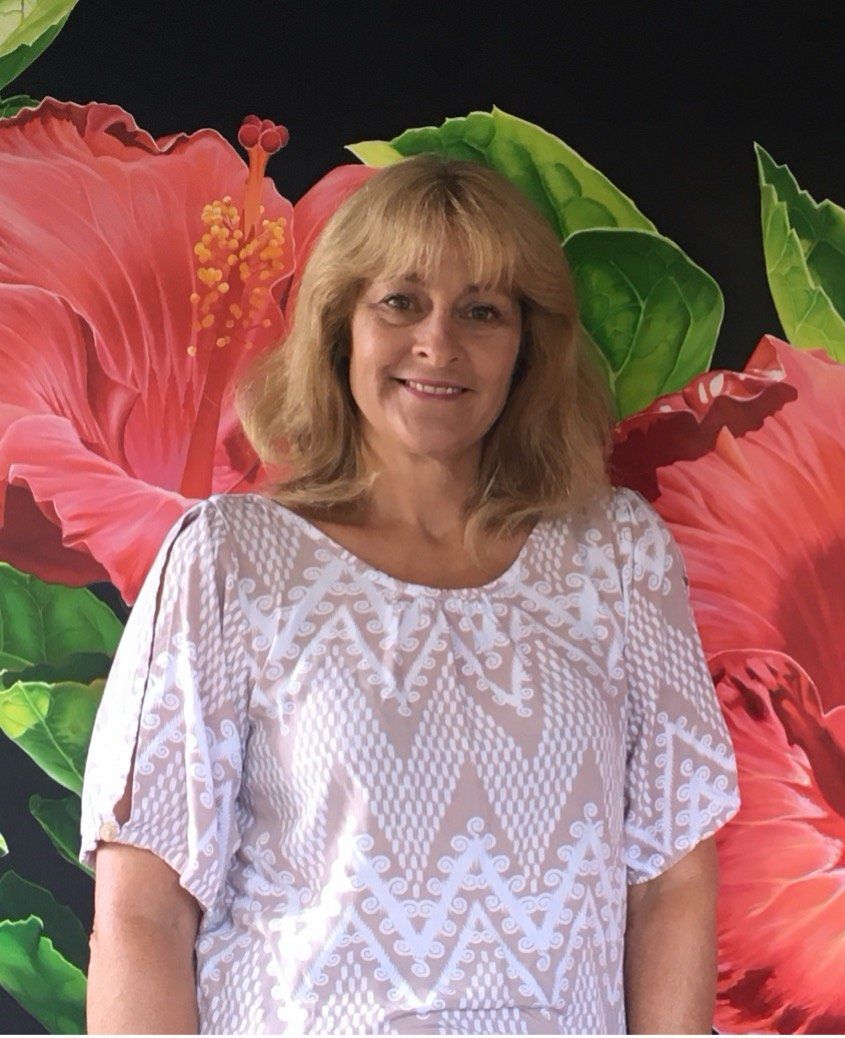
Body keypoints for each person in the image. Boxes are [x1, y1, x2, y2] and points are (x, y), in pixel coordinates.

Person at [79, 153, 742, 1034]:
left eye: (482, 311)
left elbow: (670, 880)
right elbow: (144, 908)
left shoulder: (615, 555)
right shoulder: (231, 561)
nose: (439, 343)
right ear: (338, 325)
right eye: (400, 301)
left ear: (527, 346)